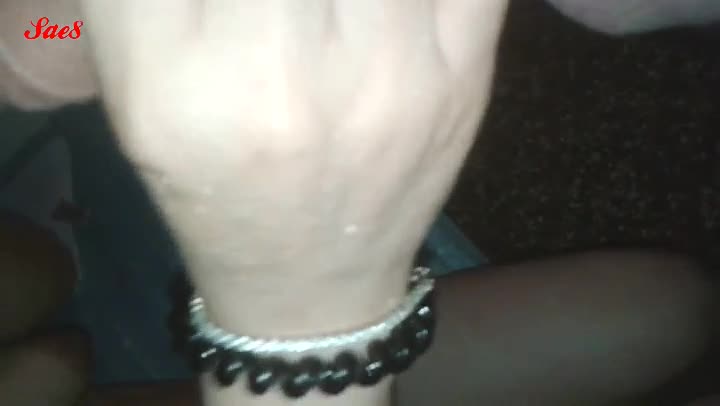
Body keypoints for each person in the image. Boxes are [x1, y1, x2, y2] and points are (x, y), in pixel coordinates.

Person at [0, 0, 718, 405]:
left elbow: (33, 46)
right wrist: (304, 313)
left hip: (87, 234)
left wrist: (67, 30)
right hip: (174, 342)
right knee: (664, 310)